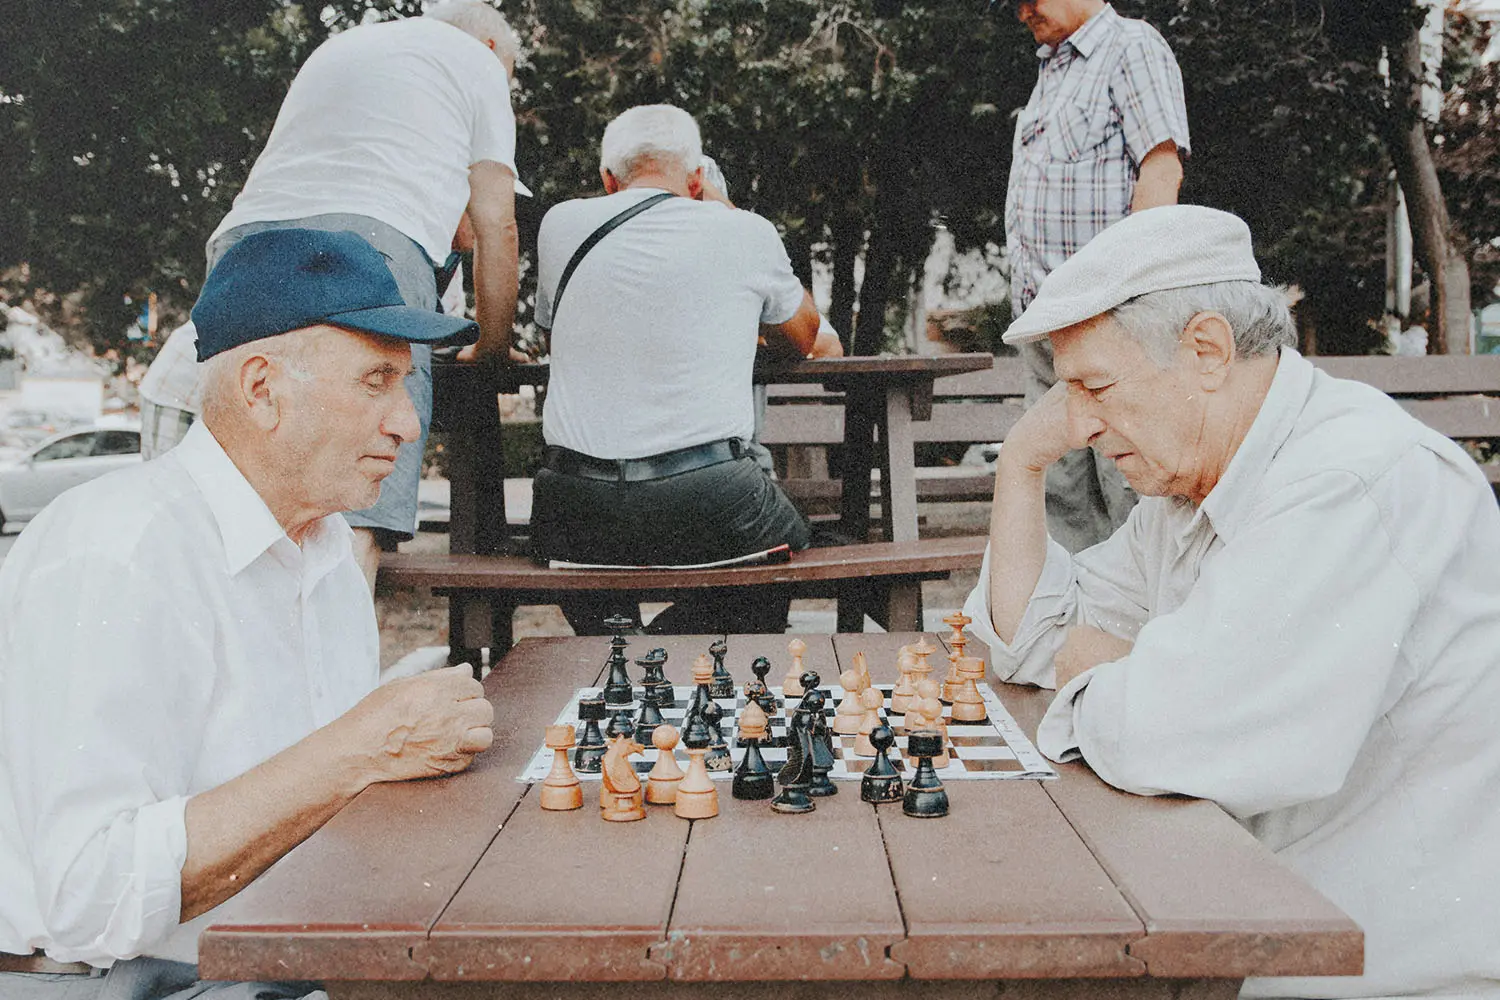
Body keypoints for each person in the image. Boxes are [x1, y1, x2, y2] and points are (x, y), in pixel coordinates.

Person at [964, 205, 1500, 998]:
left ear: (1207, 350)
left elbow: (1172, 734)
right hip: (1245, 925)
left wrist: (1134, 671)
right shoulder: (1190, 490)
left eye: (1096, 386)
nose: (1077, 421)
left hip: (1379, 967)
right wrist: (1020, 464)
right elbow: (1029, 642)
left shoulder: (1349, 481)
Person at [0, 228, 495, 999]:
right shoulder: (116, 552)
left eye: (405, 384)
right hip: (107, 982)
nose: (406, 422)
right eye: (376, 381)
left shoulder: (326, 550)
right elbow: (88, 899)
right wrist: (361, 749)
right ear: (262, 390)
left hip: (274, 964)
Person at [138, 0, 527, 590]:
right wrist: (492, 347)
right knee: (357, 495)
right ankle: (336, 670)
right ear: (495, 50)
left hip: (246, 239)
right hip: (374, 239)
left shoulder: (345, 45)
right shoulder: (478, 61)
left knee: (245, 487)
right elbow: (496, 223)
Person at [528, 104, 841, 635]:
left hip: (574, 507)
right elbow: (806, 337)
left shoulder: (559, 224)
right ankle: (664, 652)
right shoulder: (744, 230)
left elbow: (555, 335)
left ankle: (619, 646)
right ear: (697, 179)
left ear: (609, 179)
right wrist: (726, 208)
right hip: (709, 497)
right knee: (787, 549)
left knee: (591, 559)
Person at [1005, 0, 1191, 552]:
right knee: (1059, 494)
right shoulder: (1053, 67)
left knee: (1129, 487)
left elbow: (1161, 170)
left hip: (1109, 319)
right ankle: (1077, 633)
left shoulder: (1131, 46)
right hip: (1045, 321)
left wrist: (1131, 300)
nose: (1022, 13)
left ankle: (1145, 632)